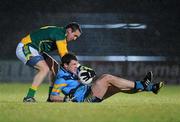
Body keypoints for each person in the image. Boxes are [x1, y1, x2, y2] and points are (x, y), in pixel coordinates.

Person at [50, 53, 164, 102]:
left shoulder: (70, 72)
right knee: (106, 77)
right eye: (74, 64)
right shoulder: (61, 79)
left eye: (76, 64)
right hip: (86, 99)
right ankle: (143, 84)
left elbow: (87, 74)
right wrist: (66, 99)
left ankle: (152, 88)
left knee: (118, 87)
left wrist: (89, 74)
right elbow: (53, 97)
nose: (76, 66)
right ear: (65, 65)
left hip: (89, 92)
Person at [16, 22, 82, 102]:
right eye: (75, 35)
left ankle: (51, 98)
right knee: (44, 69)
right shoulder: (60, 34)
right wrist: (78, 68)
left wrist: (74, 66)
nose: (75, 39)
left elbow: (66, 57)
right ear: (69, 30)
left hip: (35, 49)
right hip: (26, 47)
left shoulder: (60, 33)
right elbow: (64, 56)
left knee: (54, 68)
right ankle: (29, 97)